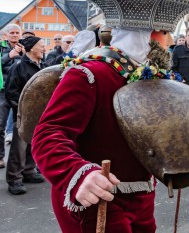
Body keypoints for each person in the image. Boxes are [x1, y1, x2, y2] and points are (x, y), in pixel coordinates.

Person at [32, 28, 157, 232]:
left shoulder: (151, 76)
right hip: (97, 199)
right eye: (164, 32)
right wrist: (78, 174)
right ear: (148, 36)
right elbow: (48, 134)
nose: (169, 40)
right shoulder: (88, 73)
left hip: (142, 195)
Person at [5, 36, 47, 195]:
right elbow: (11, 92)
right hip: (22, 115)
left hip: (38, 114)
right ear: (31, 48)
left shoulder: (43, 65)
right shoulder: (19, 66)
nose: (44, 49)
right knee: (18, 147)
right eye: (41, 46)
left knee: (32, 144)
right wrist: (22, 110)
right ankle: (14, 179)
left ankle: (29, 172)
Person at [0, 24, 24, 169]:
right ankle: (0, 157)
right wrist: (9, 55)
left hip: (20, 91)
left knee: (20, 128)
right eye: (12, 33)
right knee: (0, 125)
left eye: (17, 33)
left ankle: (20, 164)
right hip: (3, 91)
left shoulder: (25, 47)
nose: (14, 35)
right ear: (6, 35)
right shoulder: (2, 47)